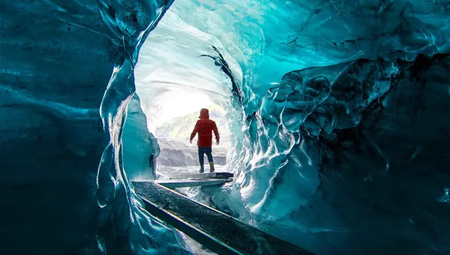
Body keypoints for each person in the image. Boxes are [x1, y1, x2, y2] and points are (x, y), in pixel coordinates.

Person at [190, 108, 220, 173]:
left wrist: (191, 137)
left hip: (201, 142)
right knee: (209, 154)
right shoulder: (212, 122)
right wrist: (217, 138)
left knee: (201, 155)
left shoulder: (199, 122)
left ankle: (201, 167)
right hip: (208, 142)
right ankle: (211, 165)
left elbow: (195, 130)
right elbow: (216, 131)